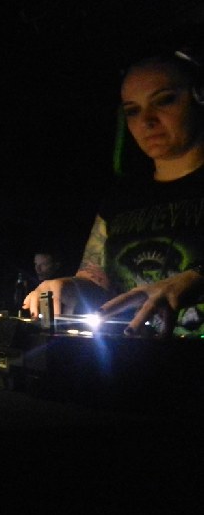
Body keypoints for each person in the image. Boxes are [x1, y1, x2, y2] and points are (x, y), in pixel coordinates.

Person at [24, 43, 204, 338]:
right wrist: (69, 287)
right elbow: (96, 281)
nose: (147, 120)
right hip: (132, 356)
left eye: (164, 100)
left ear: (199, 96)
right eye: (133, 111)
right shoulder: (120, 199)